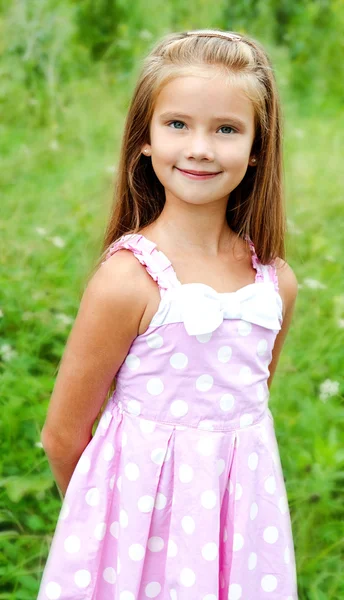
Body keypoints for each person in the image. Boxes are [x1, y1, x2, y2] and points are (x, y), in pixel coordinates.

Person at [37, 28, 299, 600]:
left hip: (240, 539)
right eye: (177, 124)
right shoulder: (129, 280)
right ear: (146, 140)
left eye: (226, 129)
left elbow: (246, 417)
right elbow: (63, 435)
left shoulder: (273, 285)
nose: (200, 147)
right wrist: (105, 526)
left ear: (257, 148)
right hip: (130, 539)